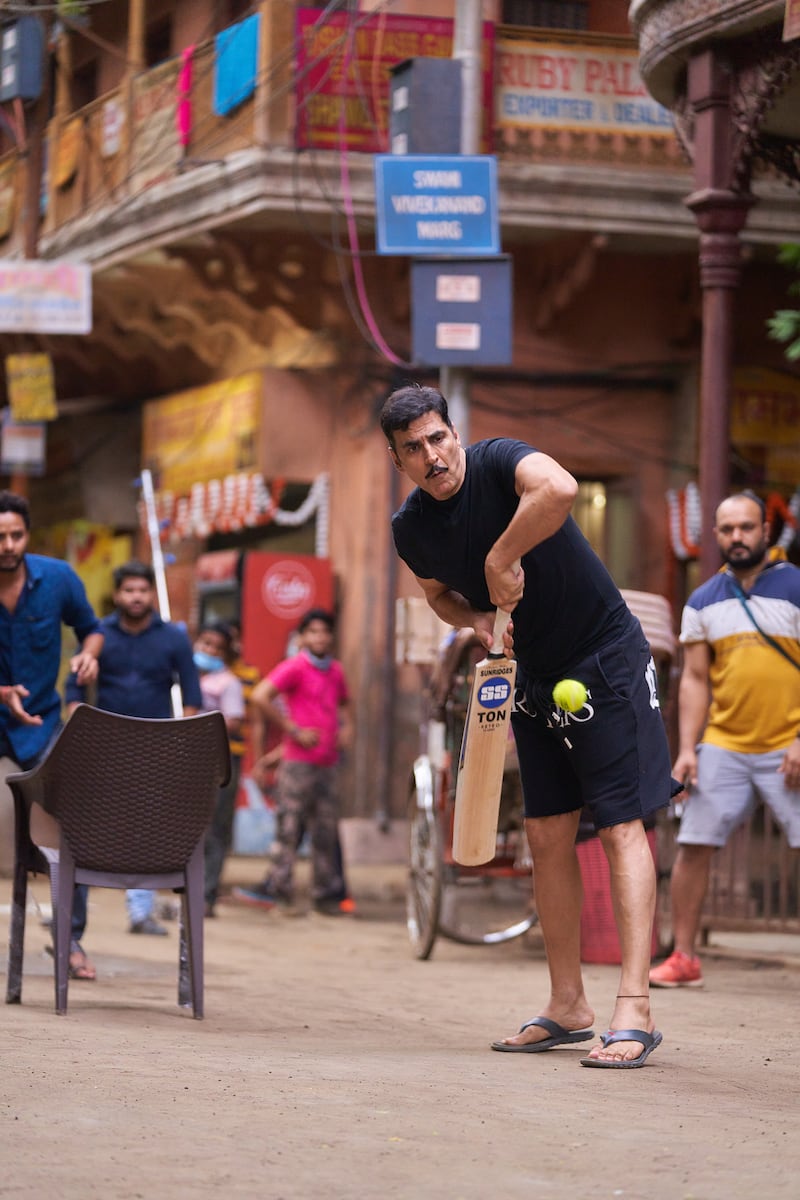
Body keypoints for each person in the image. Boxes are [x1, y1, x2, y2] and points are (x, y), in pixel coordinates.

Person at [380, 385, 675, 1068]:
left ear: (455, 435)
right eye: (413, 450)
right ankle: (568, 1003)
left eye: (437, 439)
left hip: (603, 655)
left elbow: (561, 488)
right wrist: (476, 620)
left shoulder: (499, 463)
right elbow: (437, 596)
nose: (432, 456)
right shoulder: (411, 528)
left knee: (621, 822)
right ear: (398, 461)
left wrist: (498, 557)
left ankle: (636, 1005)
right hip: (528, 673)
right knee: (546, 832)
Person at [650, 492, 800, 988]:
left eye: (747, 527)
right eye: (727, 529)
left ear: (765, 531)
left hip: (790, 744)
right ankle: (685, 957)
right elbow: (695, 680)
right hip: (726, 744)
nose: (737, 537)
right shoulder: (702, 600)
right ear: (716, 535)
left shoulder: (795, 586)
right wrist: (688, 748)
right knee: (694, 844)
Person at [65, 560, 202, 935]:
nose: (136, 597)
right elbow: (73, 688)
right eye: (129, 590)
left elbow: (191, 692)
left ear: (152, 594)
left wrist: (184, 742)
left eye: (143, 590)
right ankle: (72, 919)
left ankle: (140, 912)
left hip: (156, 746)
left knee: (147, 829)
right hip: (103, 747)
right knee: (88, 828)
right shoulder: (98, 635)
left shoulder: (173, 637)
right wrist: (80, 729)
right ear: (117, 595)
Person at [0, 490, 103, 981]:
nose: (7, 545)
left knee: (75, 819)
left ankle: (70, 939)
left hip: (42, 723)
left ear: (27, 535)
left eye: (15, 535)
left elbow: (91, 628)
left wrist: (89, 654)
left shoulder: (58, 578)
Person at [230, 608, 353, 915]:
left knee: (325, 831)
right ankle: (279, 889)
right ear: (302, 638)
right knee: (289, 827)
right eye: (313, 632)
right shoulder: (295, 667)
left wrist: (349, 727)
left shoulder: (335, 670)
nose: (320, 637)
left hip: (327, 762)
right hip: (297, 763)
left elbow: (345, 703)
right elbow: (260, 696)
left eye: (325, 631)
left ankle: (326, 895)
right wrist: (292, 730)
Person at [194, 622, 245, 917]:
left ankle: (207, 895)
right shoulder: (184, 678)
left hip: (216, 760)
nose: (207, 650)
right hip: (189, 759)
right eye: (205, 643)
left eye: (215, 647)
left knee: (214, 829)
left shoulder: (228, 683)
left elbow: (233, 722)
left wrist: (195, 723)